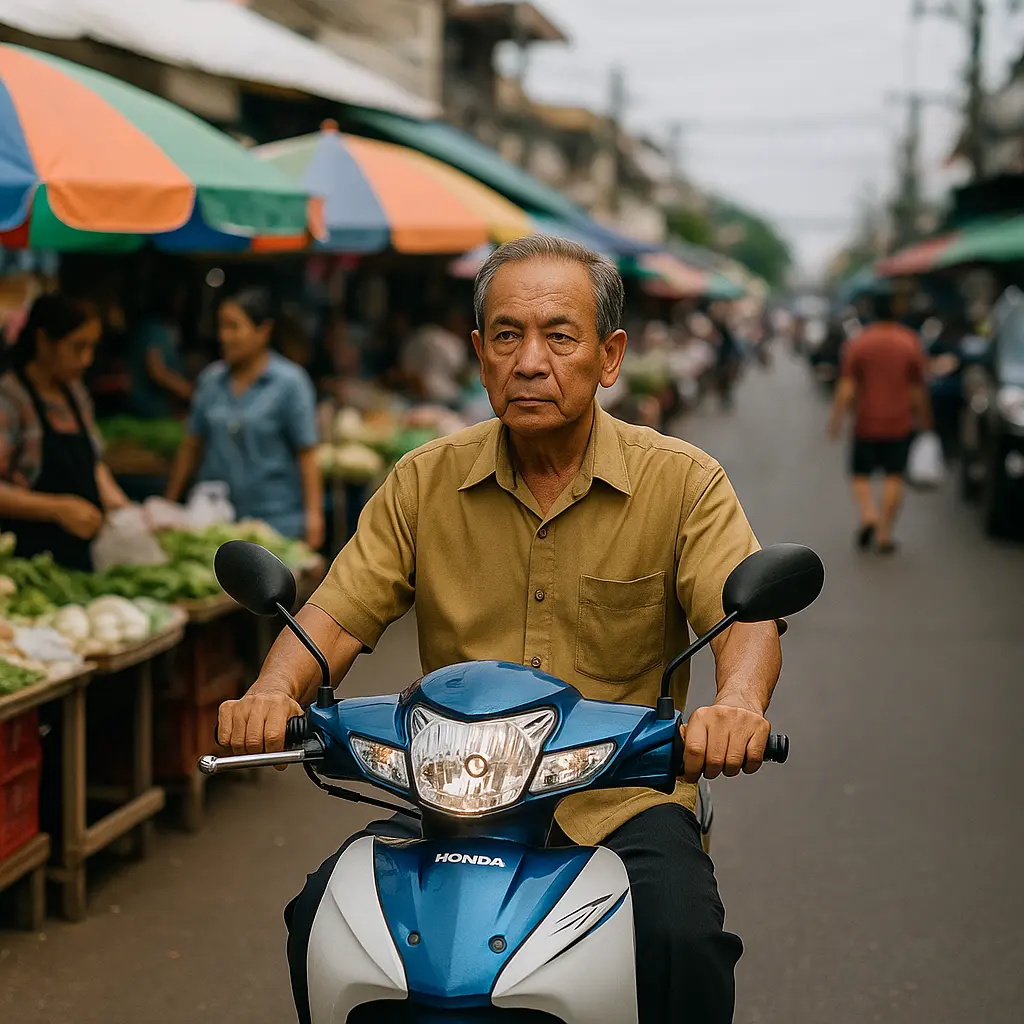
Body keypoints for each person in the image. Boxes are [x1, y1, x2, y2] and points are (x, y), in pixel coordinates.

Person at [218, 236, 785, 1024]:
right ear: (480, 357)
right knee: (319, 918)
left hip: (618, 798)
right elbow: (333, 614)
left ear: (610, 355)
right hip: (453, 800)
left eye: (560, 335)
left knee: (681, 943)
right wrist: (274, 688)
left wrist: (740, 706)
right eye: (509, 336)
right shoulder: (424, 480)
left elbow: (744, 613)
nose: (531, 361)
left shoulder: (682, 481)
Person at [165, 287, 324, 549]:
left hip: (275, 522)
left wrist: (314, 517)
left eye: (234, 327)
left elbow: (307, 454)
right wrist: (169, 503)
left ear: (263, 331)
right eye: (221, 327)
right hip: (213, 520)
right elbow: (192, 444)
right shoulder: (211, 380)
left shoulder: (290, 383)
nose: (224, 336)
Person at [0, 294, 130, 570]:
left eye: (92, 347)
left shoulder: (75, 393)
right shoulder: (10, 400)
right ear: (44, 341)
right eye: (78, 347)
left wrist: (116, 501)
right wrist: (57, 508)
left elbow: (92, 461)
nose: (86, 360)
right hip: (26, 563)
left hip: (81, 557)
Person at [827, 294, 932, 554]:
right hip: (900, 422)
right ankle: (885, 534)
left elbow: (847, 386)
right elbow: (917, 388)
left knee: (860, 473)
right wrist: (925, 421)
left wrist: (836, 420)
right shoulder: (910, 341)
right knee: (894, 475)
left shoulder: (860, 342)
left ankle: (868, 515)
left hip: (866, 421)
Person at [129, 281, 193, 419]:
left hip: (163, 409)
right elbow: (157, 371)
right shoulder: (153, 328)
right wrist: (191, 392)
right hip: (148, 412)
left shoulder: (168, 327)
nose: (182, 301)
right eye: (179, 296)